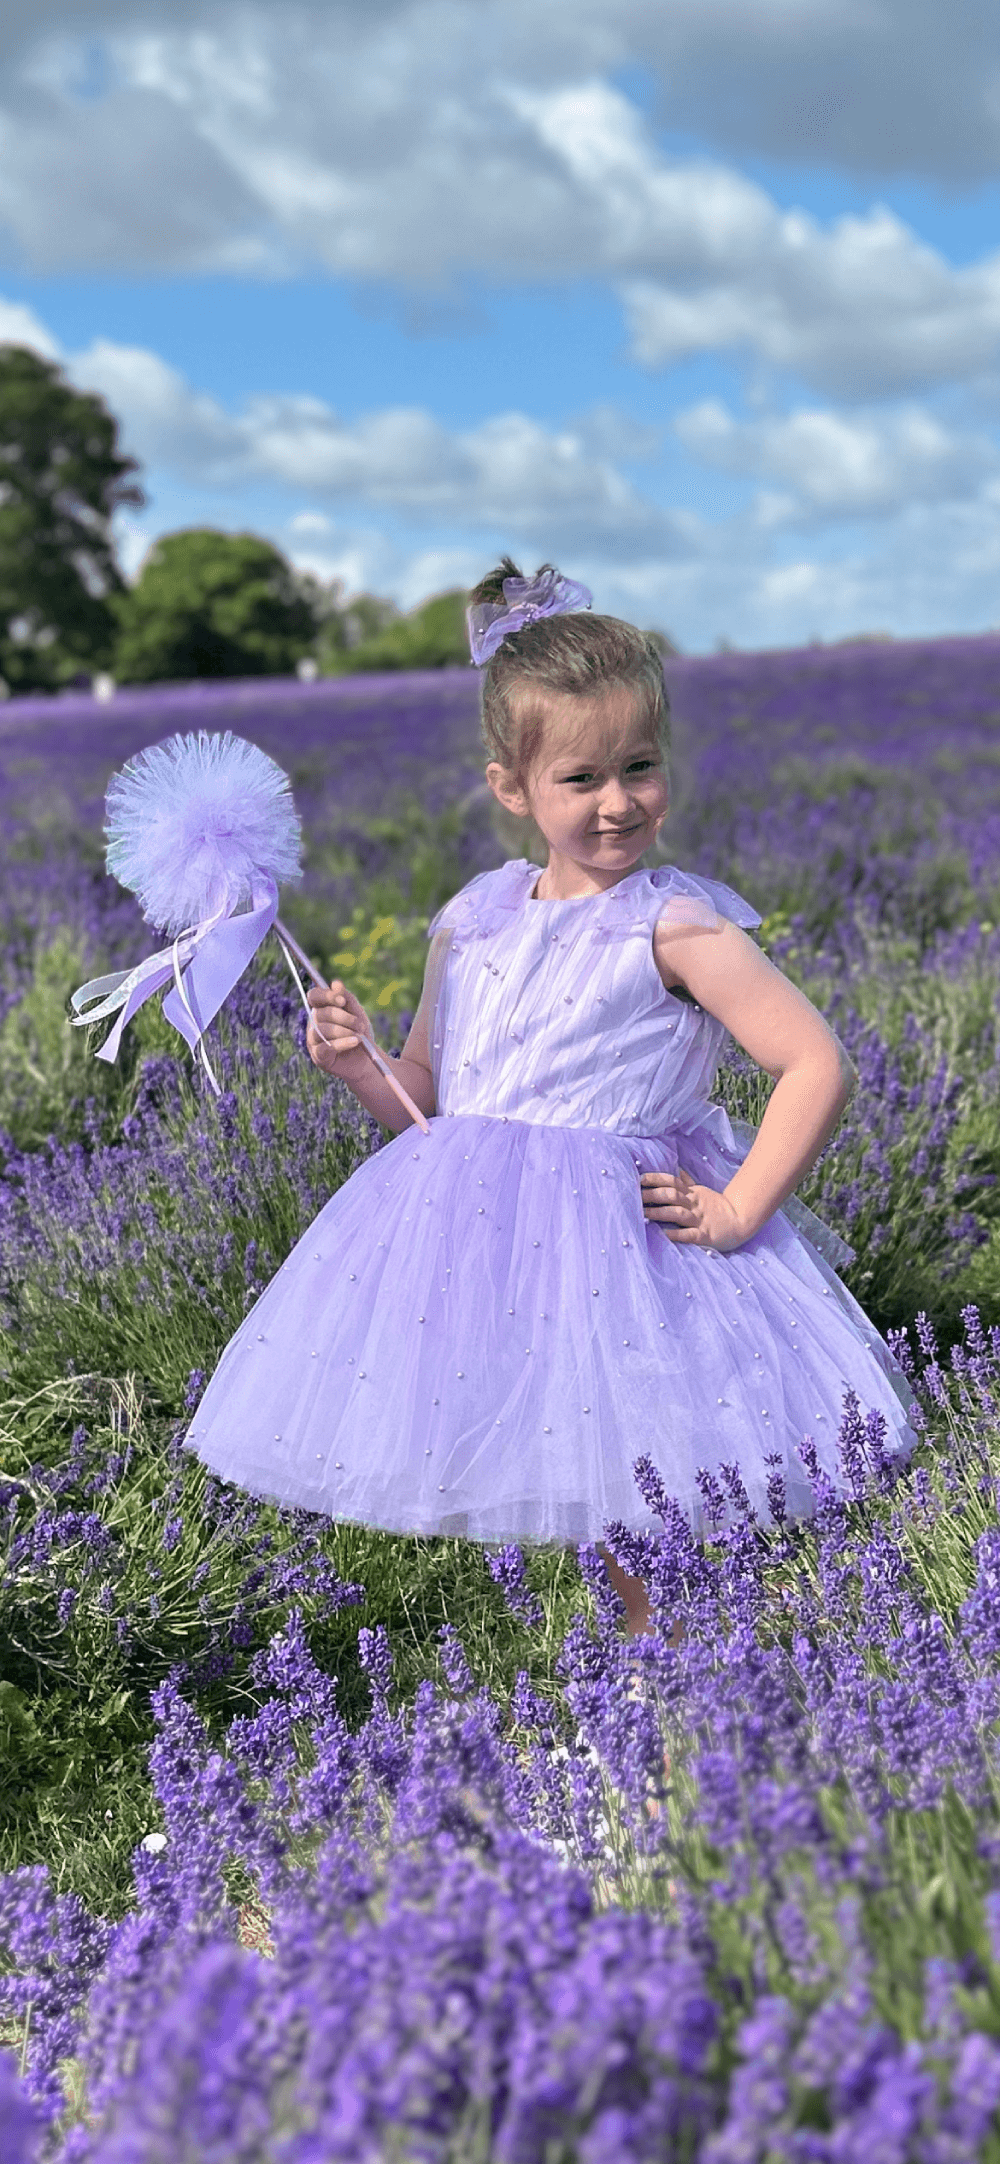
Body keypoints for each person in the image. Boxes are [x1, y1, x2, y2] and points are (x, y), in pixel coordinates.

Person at [187, 559, 919, 1638]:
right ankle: (641, 1668)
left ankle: (680, 1666)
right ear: (511, 787)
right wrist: (358, 1063)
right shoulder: (472, 919)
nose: (619, 801)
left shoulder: (675, 925)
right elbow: (432, 1100)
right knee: (562, 1452)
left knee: (651, 1472)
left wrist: (738, 1207)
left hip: (628, 1242)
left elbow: (816, 1063)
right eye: (582, 778)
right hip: (486, 1240)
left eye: (640, 766)